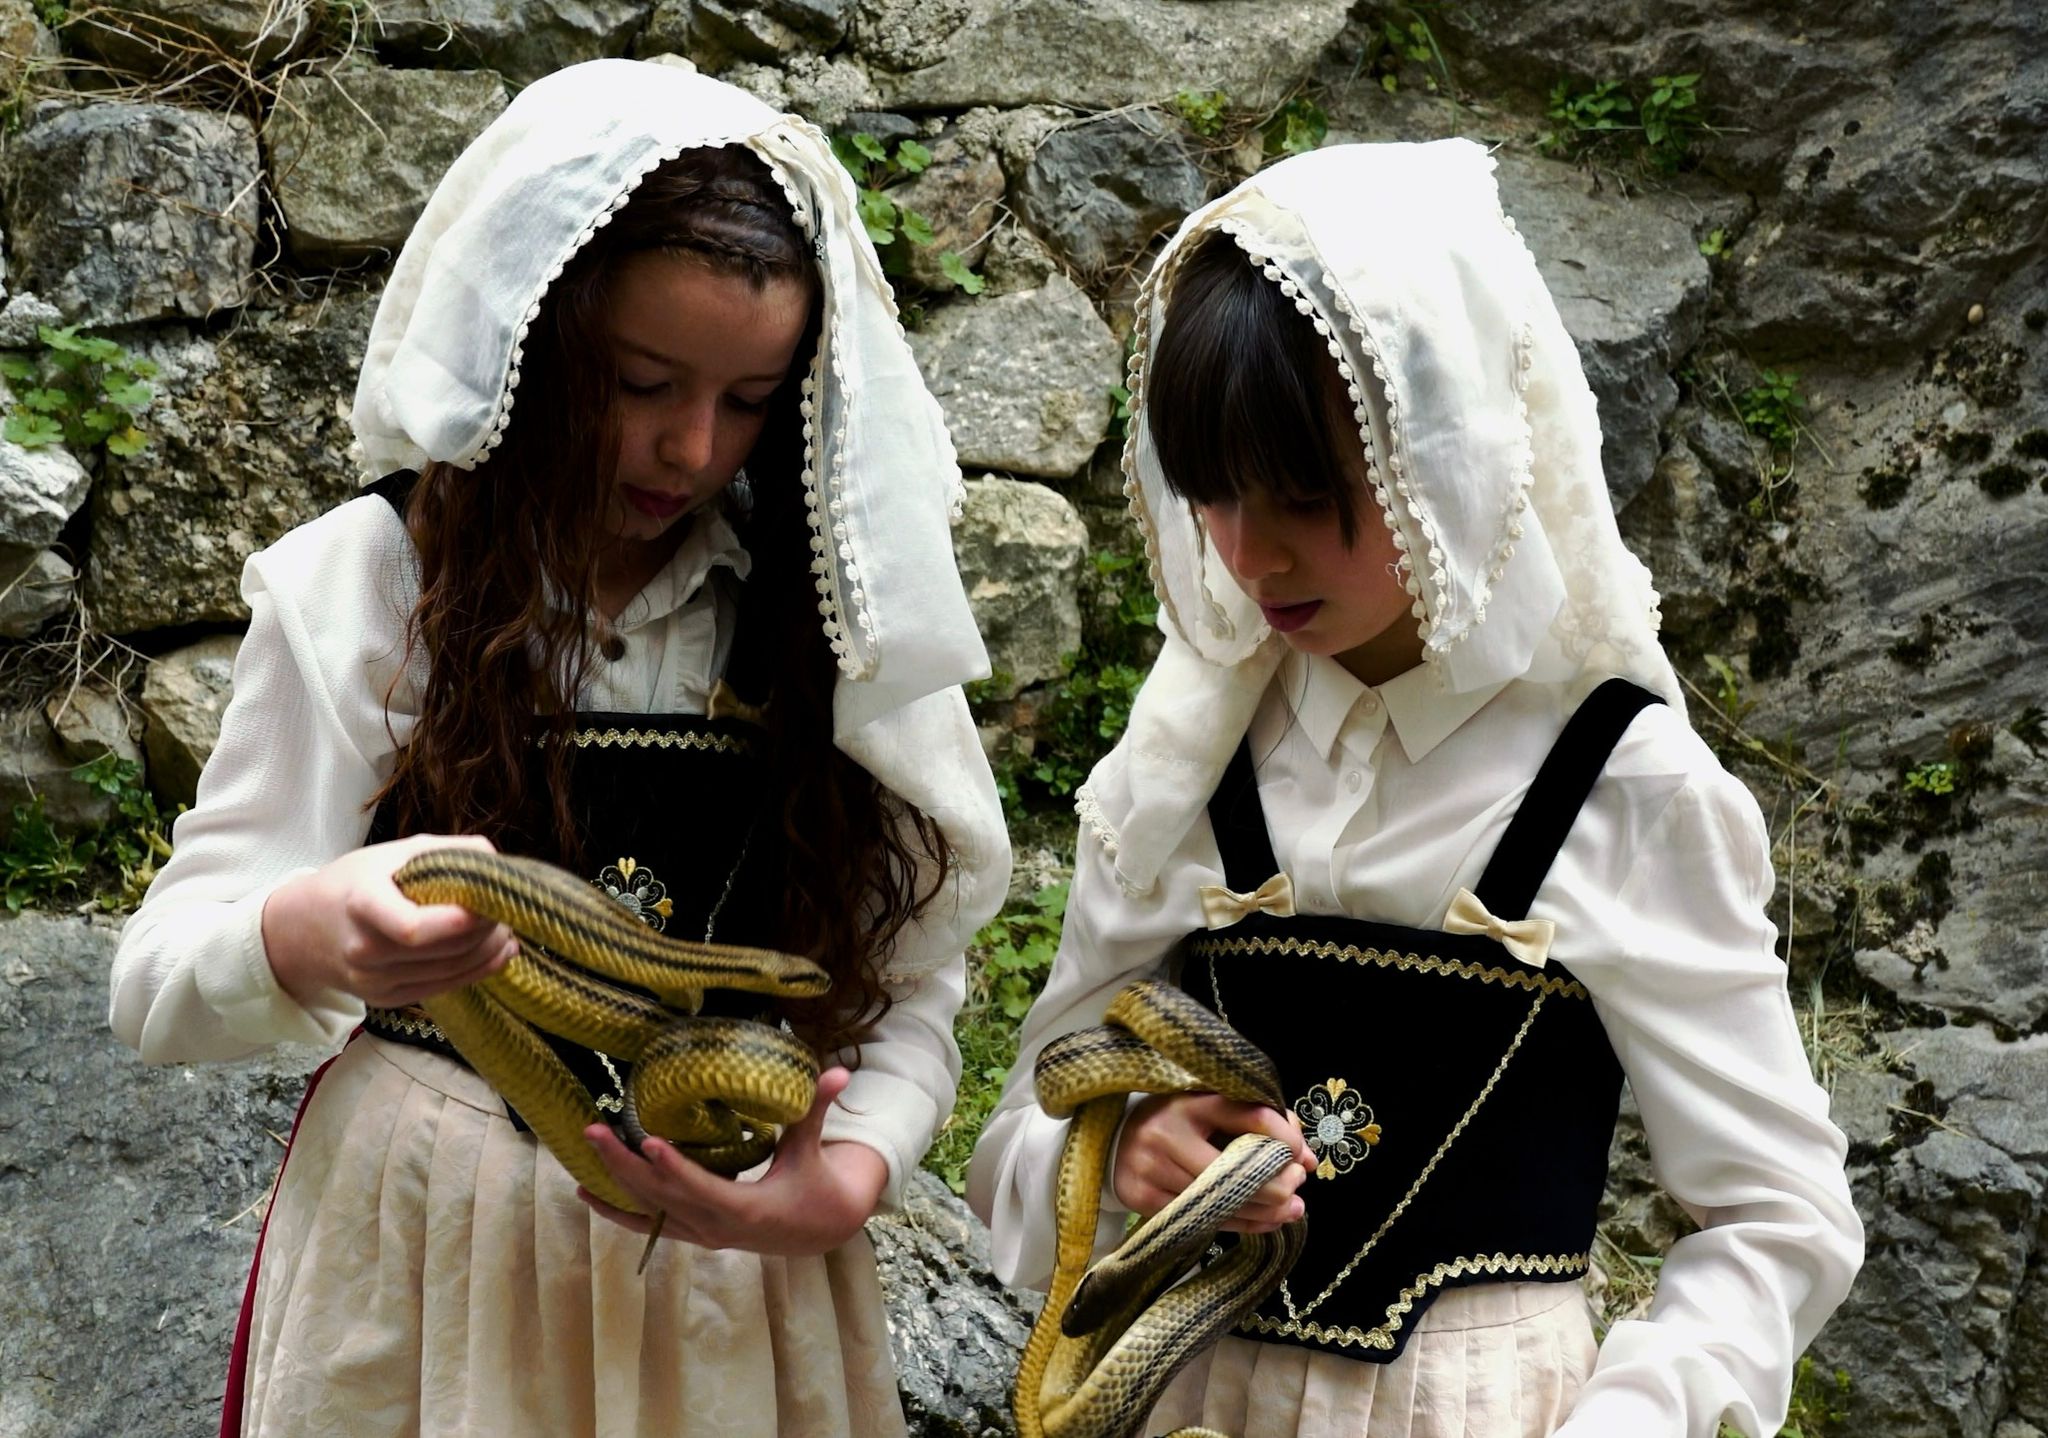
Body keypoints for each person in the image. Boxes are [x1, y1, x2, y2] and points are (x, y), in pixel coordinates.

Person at [109, 58, 1009, 1438]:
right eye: (640, 381)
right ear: (535, 336)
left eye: (750, 399)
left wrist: (859, 1164)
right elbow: (160, 983)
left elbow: (914, 980)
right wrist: (302, 933)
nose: (690, 447)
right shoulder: (372, 583)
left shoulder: (833, 616)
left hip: (728, 1283)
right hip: (426, 1257)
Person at [968, 139, 1862, 1438]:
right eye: (1214, 494)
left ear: (1446, 453)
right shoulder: (1187, 763)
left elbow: (1780, 1216)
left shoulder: (1626, 786)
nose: (1252, 554)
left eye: (1306, 496)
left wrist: (1629, 1419)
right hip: (1184, 1400)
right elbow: (1018, 1136)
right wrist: (1118, 1150)